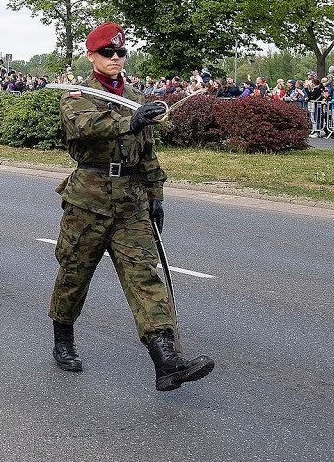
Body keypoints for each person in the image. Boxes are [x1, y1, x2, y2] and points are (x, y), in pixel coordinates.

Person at [48, 22, 214, 392]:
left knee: (144, 276)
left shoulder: (136, 97)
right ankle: (63, 338)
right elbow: (83, 126)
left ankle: (166, 361)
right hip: (88, 202)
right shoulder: (77, 95)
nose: (115, 58)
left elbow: (147, 151)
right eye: (107, 52)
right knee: (74, 274)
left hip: (130, 201)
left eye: (121, 52)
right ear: (91, 56)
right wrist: (131, 120)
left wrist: (156, 194)